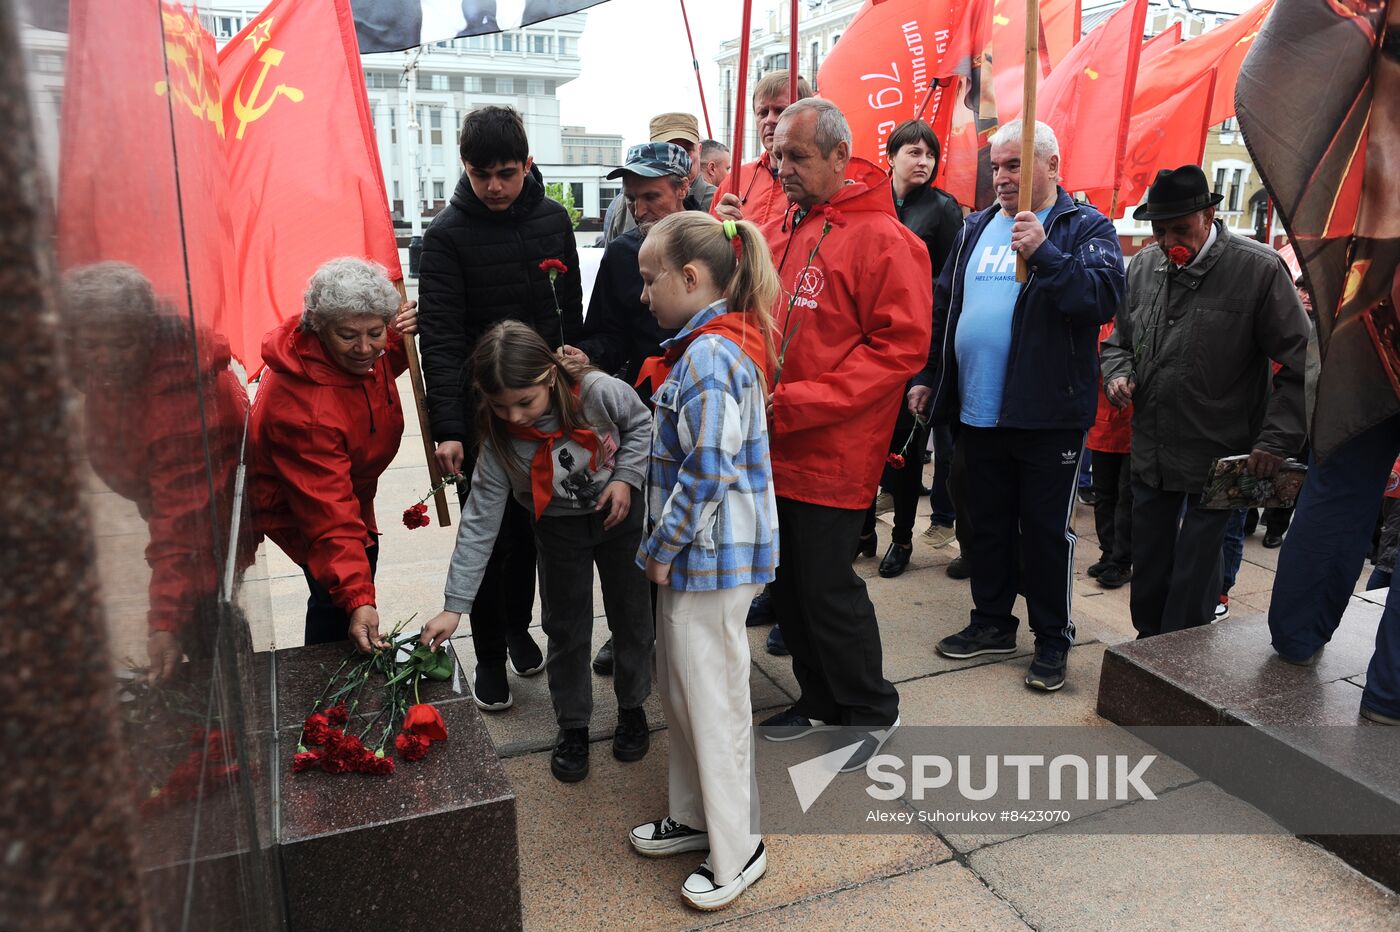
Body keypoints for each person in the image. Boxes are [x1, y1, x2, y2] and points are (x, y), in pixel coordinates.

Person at [735, 98, 932, 769]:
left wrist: (795, 402)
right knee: (789, 588)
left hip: (833, 450)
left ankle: (872, 707)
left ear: (840, 158)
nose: (781, 167)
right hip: (779, 442)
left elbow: (897, 350)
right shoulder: (796, 222)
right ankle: (820, 698)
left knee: (825, 587)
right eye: (779, 154)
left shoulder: (884, 239)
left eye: (798, 156)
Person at [921, 121, 1125, 692]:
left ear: (1052, 166)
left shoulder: (1085, 226)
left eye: (1015, 166)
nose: (1003, 178)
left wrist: (1047, 254)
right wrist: (930, 377)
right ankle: (991, 621)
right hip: (976, 411)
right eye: (997, 167)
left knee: (1042, 533)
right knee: (982, 525)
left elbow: (1103, 298)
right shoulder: (975, 227)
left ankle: (1053, 639)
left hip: (1046, 416)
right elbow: (946, 308)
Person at [421, 321, 654, 781]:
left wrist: (626, 477)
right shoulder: (500, 439)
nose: (515, 417)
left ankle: (633, 706)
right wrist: (455, 606)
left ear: (549, 376)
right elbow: (479, 521)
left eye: (525, 402)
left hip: (620, 515)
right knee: (565, 627)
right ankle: (573, 724)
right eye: (500, 406)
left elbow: (642, 424)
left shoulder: (599, 392)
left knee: (632, 615)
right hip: (558, 529)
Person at [625, 212, 778, 911]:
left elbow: (708, 469)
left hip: (708, 562)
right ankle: (695, 818)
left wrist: (661, 547)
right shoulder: (707, 348)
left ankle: (737, 847)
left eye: (650, 279)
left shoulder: (710, 355)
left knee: (710, 702)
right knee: (686, 695)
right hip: (703, 560)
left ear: (690, 277)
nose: (644, 294)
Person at [1102, 164, 1308, 639]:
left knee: (1196, 570)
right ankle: (1149, 648)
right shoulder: (1145, 265)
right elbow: (1118, 343)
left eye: (1179, 227)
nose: (1167, 239)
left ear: (1210, 214)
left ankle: (1180, 661)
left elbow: (1302, 363)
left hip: (1221, 452)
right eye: (1158, 228)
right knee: (1148, 562)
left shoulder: (1258, 268)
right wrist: (1117, 375)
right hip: (1152, 447)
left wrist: (1276, 439)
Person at [418, 104, 580, 710]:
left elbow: (569, 314)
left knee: (537, 531)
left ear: (527, 164)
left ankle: (517, 626)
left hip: (546, 405)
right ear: (464, 168)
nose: (494, 186)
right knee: (490, 537)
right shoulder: (444, 237)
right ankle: (487, 653)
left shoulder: (553, 220)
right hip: (483, 416)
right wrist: (450, 429)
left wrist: (572, 383)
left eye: (506, 173)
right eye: (481, 173)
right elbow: (439, 337)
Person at [62, 262, 251, 682]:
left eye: (121, 345)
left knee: (206, 620)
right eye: (91, 345)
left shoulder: (178, 396)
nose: (105, 359)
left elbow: (181, 523)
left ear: (148, 336)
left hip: (205, 517)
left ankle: (228, 696)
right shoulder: (114, 370)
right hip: (169, 505)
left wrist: (162, 621)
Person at [249, 258, 417, 652]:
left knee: (352, 575)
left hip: (350, 487)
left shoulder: (356, 350)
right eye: (347, 336)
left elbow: (377, 361)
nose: (365, 349)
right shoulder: (305, 411)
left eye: (375, 332)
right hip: (301, 503)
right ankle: (323, 687)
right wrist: (360, 599)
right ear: (318, 328)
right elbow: (329, 519)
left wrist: (397, 337)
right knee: (337, 596)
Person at [861, 118, 963, 579]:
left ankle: (901, 538)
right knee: (862, 446)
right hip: (864, 341)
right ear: (892, 155)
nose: (923, 161)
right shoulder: (869, 200)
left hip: (913, 346)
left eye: (930, 154)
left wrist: (933, 361)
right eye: (913, 152)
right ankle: (862, 529)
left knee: (905, 447)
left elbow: (948, 288)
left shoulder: (943, 210)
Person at [711, 70, 814, 229]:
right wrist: (718, 228)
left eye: (780, 110)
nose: (770, 120)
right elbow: (711, 249)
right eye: (763, 112)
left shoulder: (820, 181)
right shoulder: (733, 182)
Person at [602, 113, 705, 245]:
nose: (639, 213)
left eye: (651, 197)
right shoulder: (621, 247)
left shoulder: (718, 202)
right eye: (666, 149)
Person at [1085, 319, 1133, 590]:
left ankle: (1122, 560)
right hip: (1103, 424)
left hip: (1131, 425)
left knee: (1126, 497)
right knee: (1104, 494)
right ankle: (1108, 551)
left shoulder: (1132, 322)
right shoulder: (1100, 321)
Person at [697, 139, 732, 207]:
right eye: (727, 169)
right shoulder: (719, 199)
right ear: (712, 168)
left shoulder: (681, 191)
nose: (729, 175)